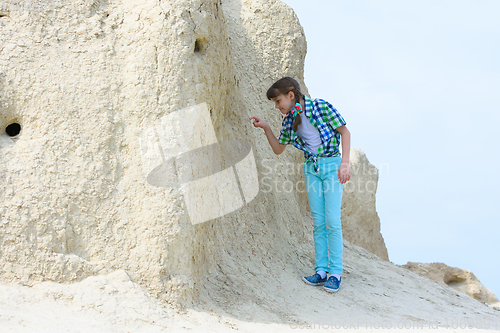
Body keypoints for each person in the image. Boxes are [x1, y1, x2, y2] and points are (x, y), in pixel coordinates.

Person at [249, 77, 351, 292]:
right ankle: (321, 271)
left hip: (332, 166)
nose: (277, 106)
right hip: (311, 169)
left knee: (332, 219)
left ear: (291, 95)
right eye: (275, 103)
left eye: (278, 101)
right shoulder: (288, 121)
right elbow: (278, 149)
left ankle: (336, 273)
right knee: (318, 221)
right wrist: (266, 127)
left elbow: (345, 132)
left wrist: (345, 164)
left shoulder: (320, 106)